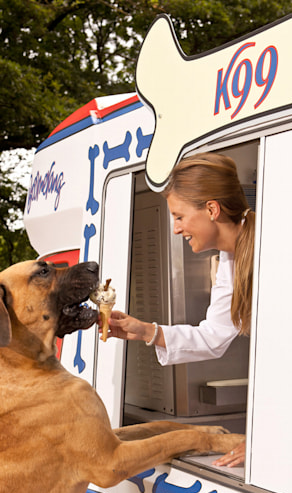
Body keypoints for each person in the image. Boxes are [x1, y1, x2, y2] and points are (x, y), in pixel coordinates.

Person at [107, 152, 252, 468]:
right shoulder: (230, 261)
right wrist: (145, 331)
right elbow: (213, 337)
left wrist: (272, 437)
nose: (175, 229)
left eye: (179, 216)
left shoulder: (272, 246)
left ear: (211, 209)